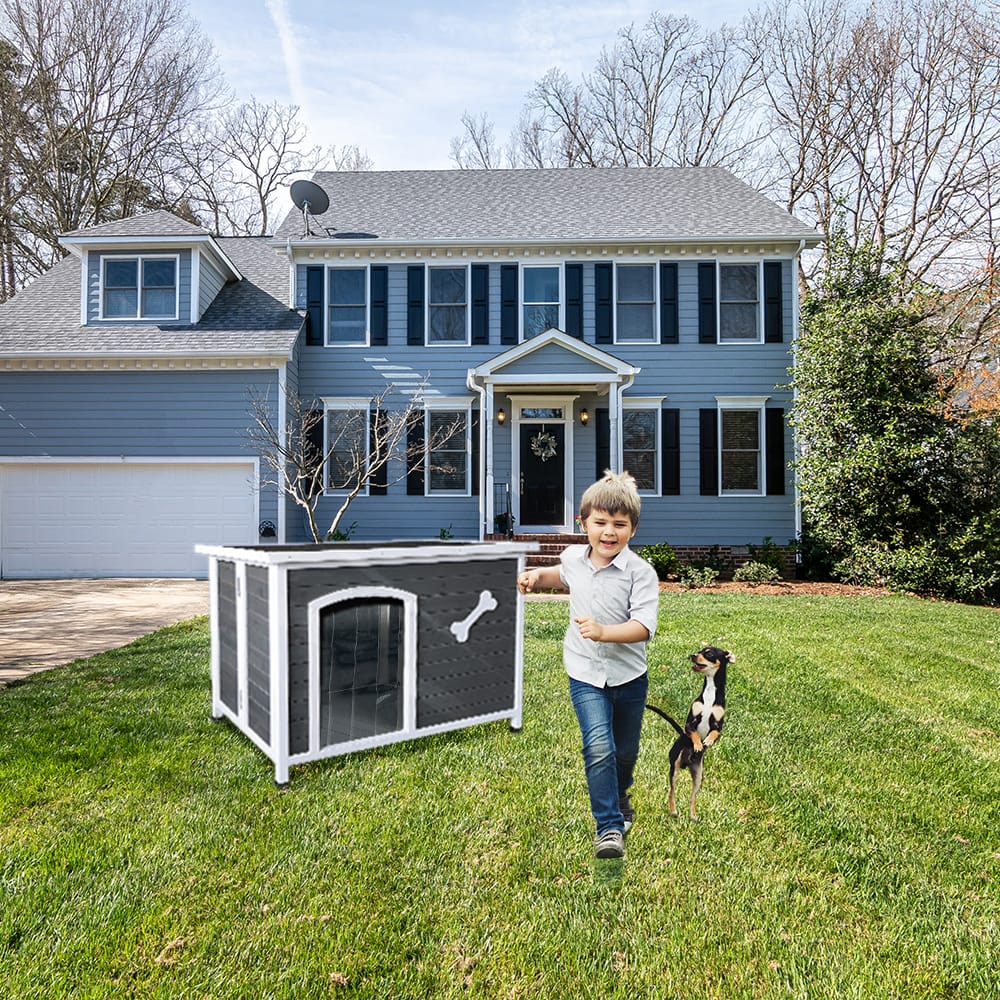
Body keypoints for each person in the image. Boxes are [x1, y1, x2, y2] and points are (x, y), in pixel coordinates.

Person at [518, 471, 659, 860]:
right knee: (599, 747)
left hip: (629, 677)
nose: (608, 532)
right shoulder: (573, 560)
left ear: (633, 529)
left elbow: (643, 628)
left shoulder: (641, 574)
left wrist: (603, 631)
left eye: (619, 524)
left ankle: (621, 792)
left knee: (626, 751)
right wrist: (535, 576)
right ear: (584, 524)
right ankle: (609, 827)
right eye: (600, 523)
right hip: (584, 674)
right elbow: (561, 577)